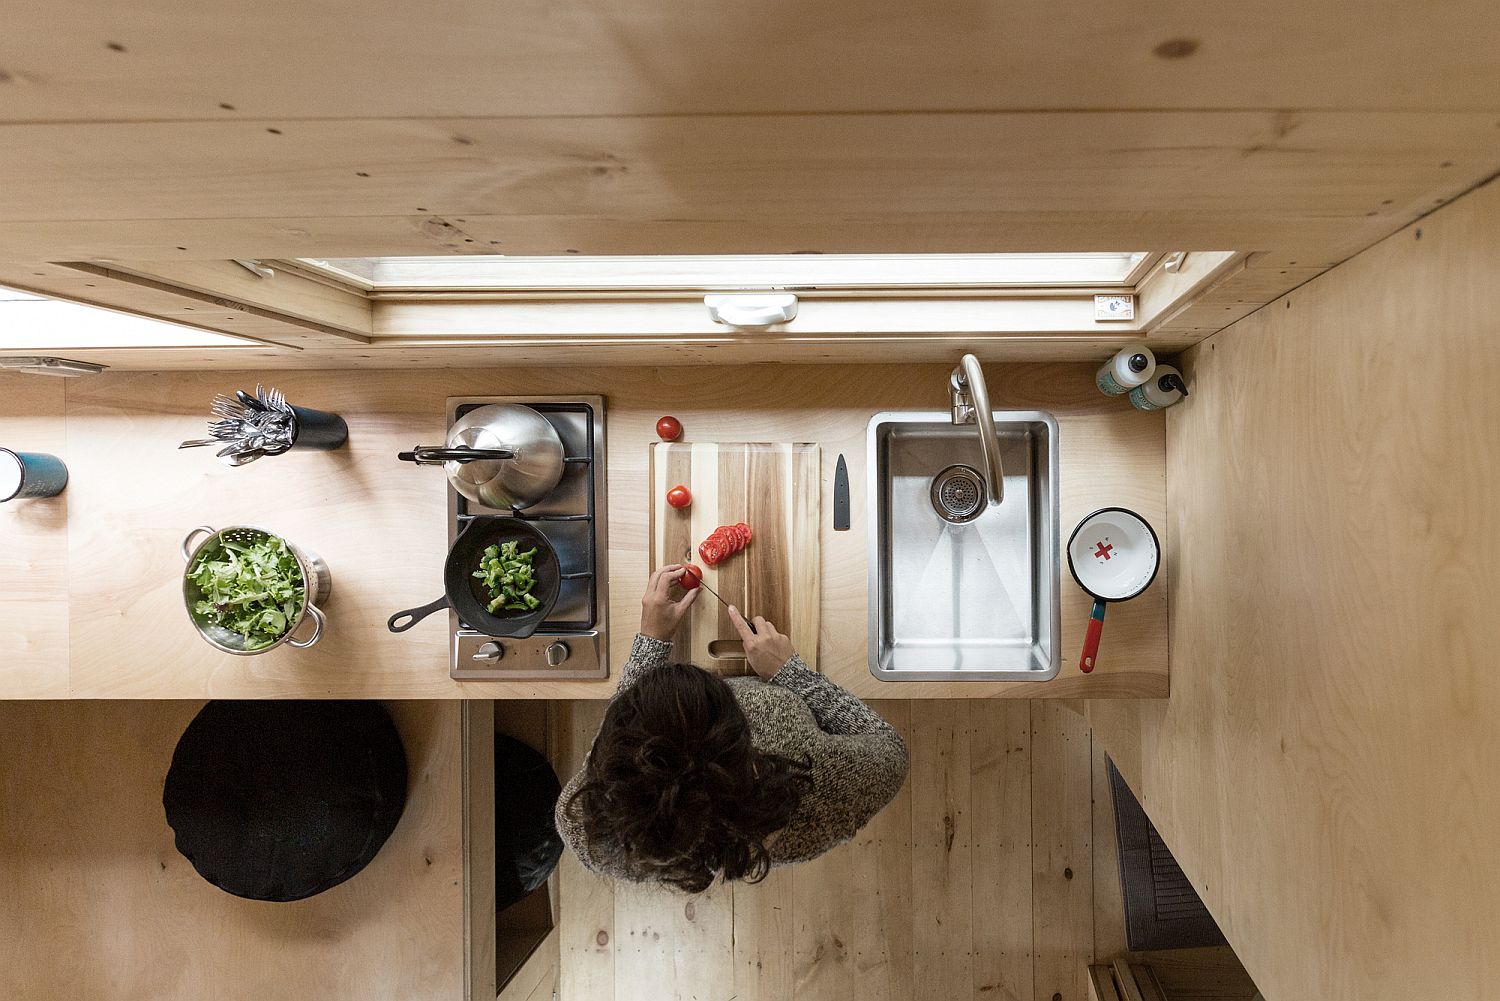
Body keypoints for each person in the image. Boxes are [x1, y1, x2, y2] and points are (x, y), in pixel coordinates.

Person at [555, 565, 909, 893]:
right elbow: (891, 749)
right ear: (745, 742)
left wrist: (651, 643)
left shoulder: (580, 823)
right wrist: (791, 674)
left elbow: (616, 741)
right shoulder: (794, 747)